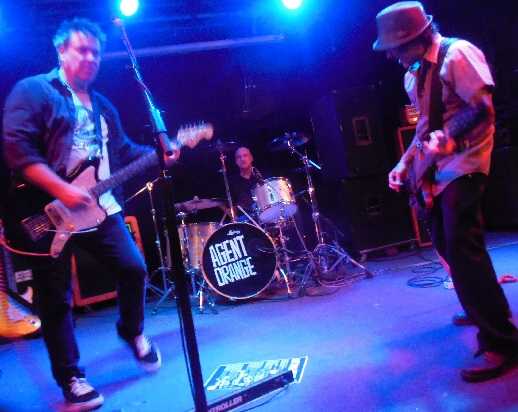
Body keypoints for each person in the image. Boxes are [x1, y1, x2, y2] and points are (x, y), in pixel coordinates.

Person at [2, 18, 179, 410]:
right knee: (56, 300)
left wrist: (160, 155)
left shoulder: (102, 106)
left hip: (98, 208)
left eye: (96, 52)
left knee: (133, 269)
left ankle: (131, 331)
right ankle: (71, 377)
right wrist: (62, 189)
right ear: (61, 50)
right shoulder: (34, 91)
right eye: (81, 50)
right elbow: (17, 150)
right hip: (48, 211)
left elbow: (124, 151)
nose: (90, 58)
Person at [373, 1, 517, 382]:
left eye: (395, 48)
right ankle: (480, 306)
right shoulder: (414, 77)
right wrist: (404, 163)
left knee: (463, 246)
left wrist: (450, 136)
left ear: (415, 38)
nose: (390, 56)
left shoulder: (458, 54)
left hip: (466, 162)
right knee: (445, 244)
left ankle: (502, 341)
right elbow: (423, 129)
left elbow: (482, 108)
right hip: (439, 169)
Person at [228, 146, 263, 221]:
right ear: (236, 162)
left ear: (251, 158)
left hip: (265, 216)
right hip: (246, 221)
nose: (242, 159)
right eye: (239, 157)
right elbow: (230, 206)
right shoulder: (232, 182)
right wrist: (235, 219)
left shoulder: (261, 177)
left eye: (245, 155)